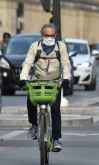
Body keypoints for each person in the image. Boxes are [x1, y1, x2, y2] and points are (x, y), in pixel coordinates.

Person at [20, 24, 71, 152]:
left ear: (55, 36)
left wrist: (66, 78)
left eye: (52, 35)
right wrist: (23, 77)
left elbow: (65, 63)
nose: (49, 37)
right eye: (46, 35)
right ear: (42, 36)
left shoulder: (61, 47)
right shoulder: (35, 46)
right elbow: (27, 62)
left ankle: (57, 139)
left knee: (55, 109)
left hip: (55, 83)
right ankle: (34, 125)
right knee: (30, 101)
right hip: (38, 81)